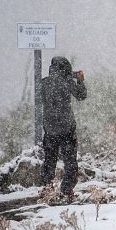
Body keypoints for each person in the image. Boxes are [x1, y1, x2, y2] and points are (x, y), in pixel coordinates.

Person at [40, 56, 87, 198]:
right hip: (67, 129)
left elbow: (43, 98)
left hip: (49, 129)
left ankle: (47, 188)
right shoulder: (68, 82)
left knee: (49, 160)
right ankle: (66, 190)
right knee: (70, 162)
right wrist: (79, 80)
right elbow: (81, 95)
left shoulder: (44, 83)